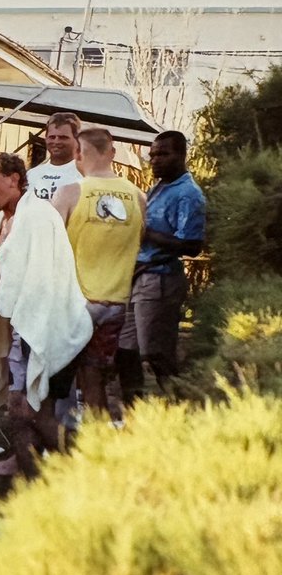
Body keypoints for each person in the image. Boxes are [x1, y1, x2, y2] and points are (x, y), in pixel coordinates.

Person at [0, 151, 91, 475]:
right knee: (19, 411)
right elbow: (7, 273)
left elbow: (38, 281)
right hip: (24, 327)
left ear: (14, 179)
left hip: (49, 326)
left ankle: (86, 471)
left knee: (31, 413)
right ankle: (33, 484)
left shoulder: (39, 217)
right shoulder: (5, 218)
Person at [53, 127, 146, 414]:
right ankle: (97, 446)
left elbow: (50, 249)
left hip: (76, 303)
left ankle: (58, 447)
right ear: (112, 152)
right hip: (117, 303)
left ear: (78, 153)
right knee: (94, 380)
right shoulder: (139, 197)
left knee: (57, 383)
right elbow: (140, 245)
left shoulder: (69, 193)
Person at [120, 130, 207, 398]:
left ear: (181, 155)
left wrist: (146, 233)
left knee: (156, 355)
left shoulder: (188, 194)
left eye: (163, 154)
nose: (155, 160)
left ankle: (180, 413)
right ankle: (133, 419)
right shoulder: (159, 186)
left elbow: (192, 245)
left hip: (159, 280)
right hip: (138, 278)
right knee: (124, 351)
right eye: (153, 154)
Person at [26, 111, 82, 201]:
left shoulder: (85, 176)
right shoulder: (32, 174)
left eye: (63, 137)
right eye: (52, 137)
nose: (56, 142)